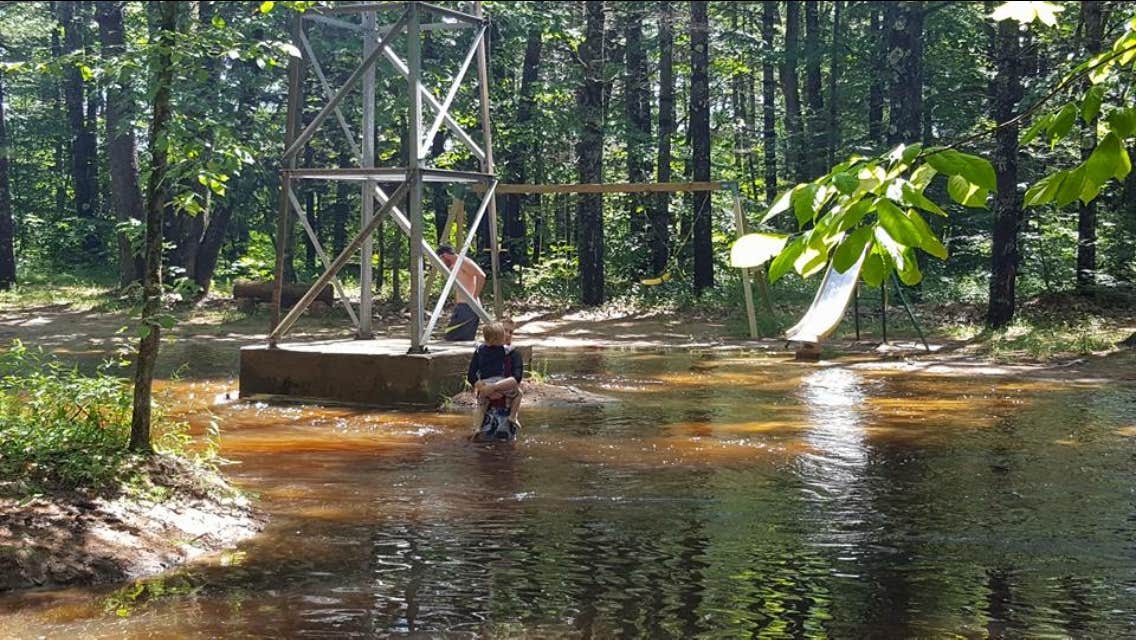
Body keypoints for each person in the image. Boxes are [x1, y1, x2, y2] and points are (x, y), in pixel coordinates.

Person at [467, 322, 523, 440]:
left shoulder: (514, 354)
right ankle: (477, 429)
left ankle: (478, 428)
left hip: (503, 405)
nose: (507, 335)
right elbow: (471, 376)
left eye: (510, 332)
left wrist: (493, 388)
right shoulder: (504, 351)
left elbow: (517, 377)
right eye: (505, 332)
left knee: (505, 447)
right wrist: (483, 388)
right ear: (496, 337)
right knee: (484, 447)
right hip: (489, 407)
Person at [438, 244, 486, 341]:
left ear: (445, 255)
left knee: (455, 338)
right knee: (454, 338)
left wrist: (474, 297)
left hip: (468, 306)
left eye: (441, 260)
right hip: (461, 307)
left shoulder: (463, 262)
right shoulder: (454, 266)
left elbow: (481, 276)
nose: (441, 262)